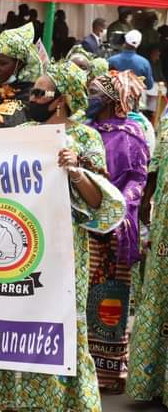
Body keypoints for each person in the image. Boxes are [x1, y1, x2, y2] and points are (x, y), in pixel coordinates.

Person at [0, 60, 126, 411]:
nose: (32, 96)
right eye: (34, 91)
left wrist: (75, 170)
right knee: (14, 316)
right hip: (17, 240)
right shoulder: (21, 130)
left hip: (62, 248)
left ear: (60, 100)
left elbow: (96, 200)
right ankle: (12, 398)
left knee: (57, 318)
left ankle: (57, 402)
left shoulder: (86, 138)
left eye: (40, 92)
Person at [83, 71, 149, 394]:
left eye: (95, 94)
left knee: (111, 297)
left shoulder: (132, 134)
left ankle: (109, 373)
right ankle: (84, 369)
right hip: (86, 223)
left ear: (110, 100)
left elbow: (138, 178)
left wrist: (120, 206)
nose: (89, 99)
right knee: (82, 296)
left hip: (118, 226)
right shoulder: (85, 131)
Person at [128, 110, 168, 406]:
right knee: (158, 292)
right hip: (165, 223)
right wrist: (146, 198)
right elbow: (156, 163)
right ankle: (153, 382)